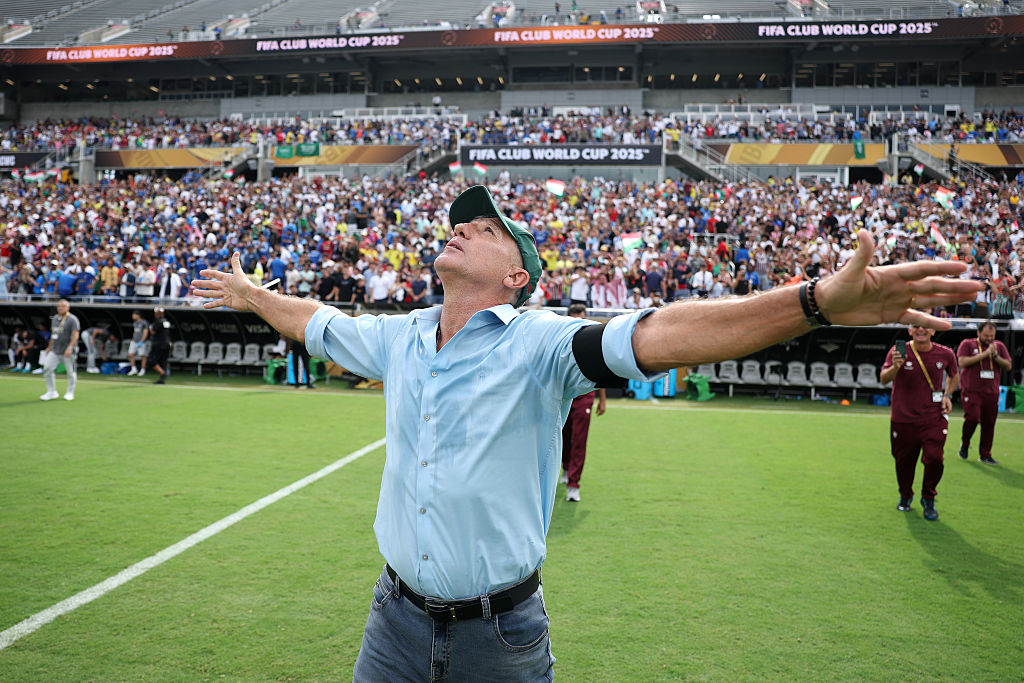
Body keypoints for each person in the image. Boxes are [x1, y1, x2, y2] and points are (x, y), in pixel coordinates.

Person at [193, 185, 980, 680]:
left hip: (498, 636)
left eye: (487, 227)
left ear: (516, 277)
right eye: (460, 219)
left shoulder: (538, 341)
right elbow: (318, 322)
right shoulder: (399, 335)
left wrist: (810, 302)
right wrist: (251, 291)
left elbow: (660, 335)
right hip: (391, 621)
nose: (462, 226)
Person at [879, 325, 959, 521]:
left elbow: (954, 375)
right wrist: (896, 366)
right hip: (903, 418)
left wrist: (948, 395)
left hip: (934, 416)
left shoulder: (946, 353)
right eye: (916, 326)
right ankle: (905, 495)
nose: (921, 329)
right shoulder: (898, 351)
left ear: (933, 331)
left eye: (926, 326)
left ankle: (928, 498)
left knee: (934, 458)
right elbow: (883, 379)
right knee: (904, 462)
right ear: (909, 330)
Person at [560, 303, 607, 502]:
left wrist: (602, 399)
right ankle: (565, 466)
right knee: (563, 435)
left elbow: (601, 370)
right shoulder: (561, 338)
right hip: (563, 395)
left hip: (585, 396)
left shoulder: (593, 339)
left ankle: (574, 484)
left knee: (580, 439)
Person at [957, 321, 1013, 464]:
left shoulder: (998, 346)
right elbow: (962, 362)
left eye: (992, 336)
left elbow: (1008, 365)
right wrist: (985, 354)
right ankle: (965, 443)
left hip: (991, 391)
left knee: (989, 423)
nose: (989, 339)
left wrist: (995, 356)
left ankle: (985, 454)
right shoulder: (968, 344)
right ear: (979, 333)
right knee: (972, 418)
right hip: (972, 389)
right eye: (986, 336)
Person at [40, 299, 80, 401]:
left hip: (68, 350)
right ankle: (51, 391)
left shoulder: (72, 319)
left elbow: (75, 335)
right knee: (47, 368)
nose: (60, 308)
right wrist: (49, 347)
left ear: (68, 308)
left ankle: (70, 392)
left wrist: (70, 347)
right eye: (59, 306)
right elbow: (53, 335)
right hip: (55, 349)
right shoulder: (54, 319)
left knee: (70, 372)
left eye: (63, 306)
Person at [148, 307, 172, 385]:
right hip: (166, 344)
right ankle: (162, 379)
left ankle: (162, 373)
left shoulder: (157, 322)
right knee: (163, 362)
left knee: (151, 361)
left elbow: (153, 332)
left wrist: (150, 328)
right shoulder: (166, 322)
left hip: (158, 344)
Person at [128, 310, 149, 376]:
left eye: (134, 315)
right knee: (130, 354)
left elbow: (145, 332)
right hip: (134, 341)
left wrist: (142, 341)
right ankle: (134, 369)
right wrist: (133, 339)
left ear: (138, 315)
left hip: (141, 341)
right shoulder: (135, 323)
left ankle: (143, 370)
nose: (133, 316)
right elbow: (135, 332)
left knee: (142, 355)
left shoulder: (144, 323)